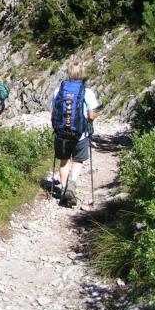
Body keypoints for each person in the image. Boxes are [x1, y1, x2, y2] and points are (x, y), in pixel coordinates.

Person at [51, 62, 99, 207]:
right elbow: (91, 115)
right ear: (82, 74)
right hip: (80, 134)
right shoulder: (87, 92)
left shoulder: (58, 90)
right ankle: (72, 185)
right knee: (77, 160)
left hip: (62, 133)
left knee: (64, 160)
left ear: (69, 73)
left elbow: (53, 113)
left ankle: (64, 188)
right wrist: (89, 121)